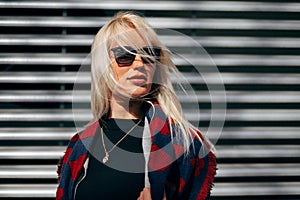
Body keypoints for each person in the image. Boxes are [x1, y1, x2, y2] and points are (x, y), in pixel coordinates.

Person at [56, 11, 217, 200]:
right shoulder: (80, 145)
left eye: (149, 55)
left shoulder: (181, 144)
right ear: (103, 65)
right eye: (125, 55)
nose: (140, 64)